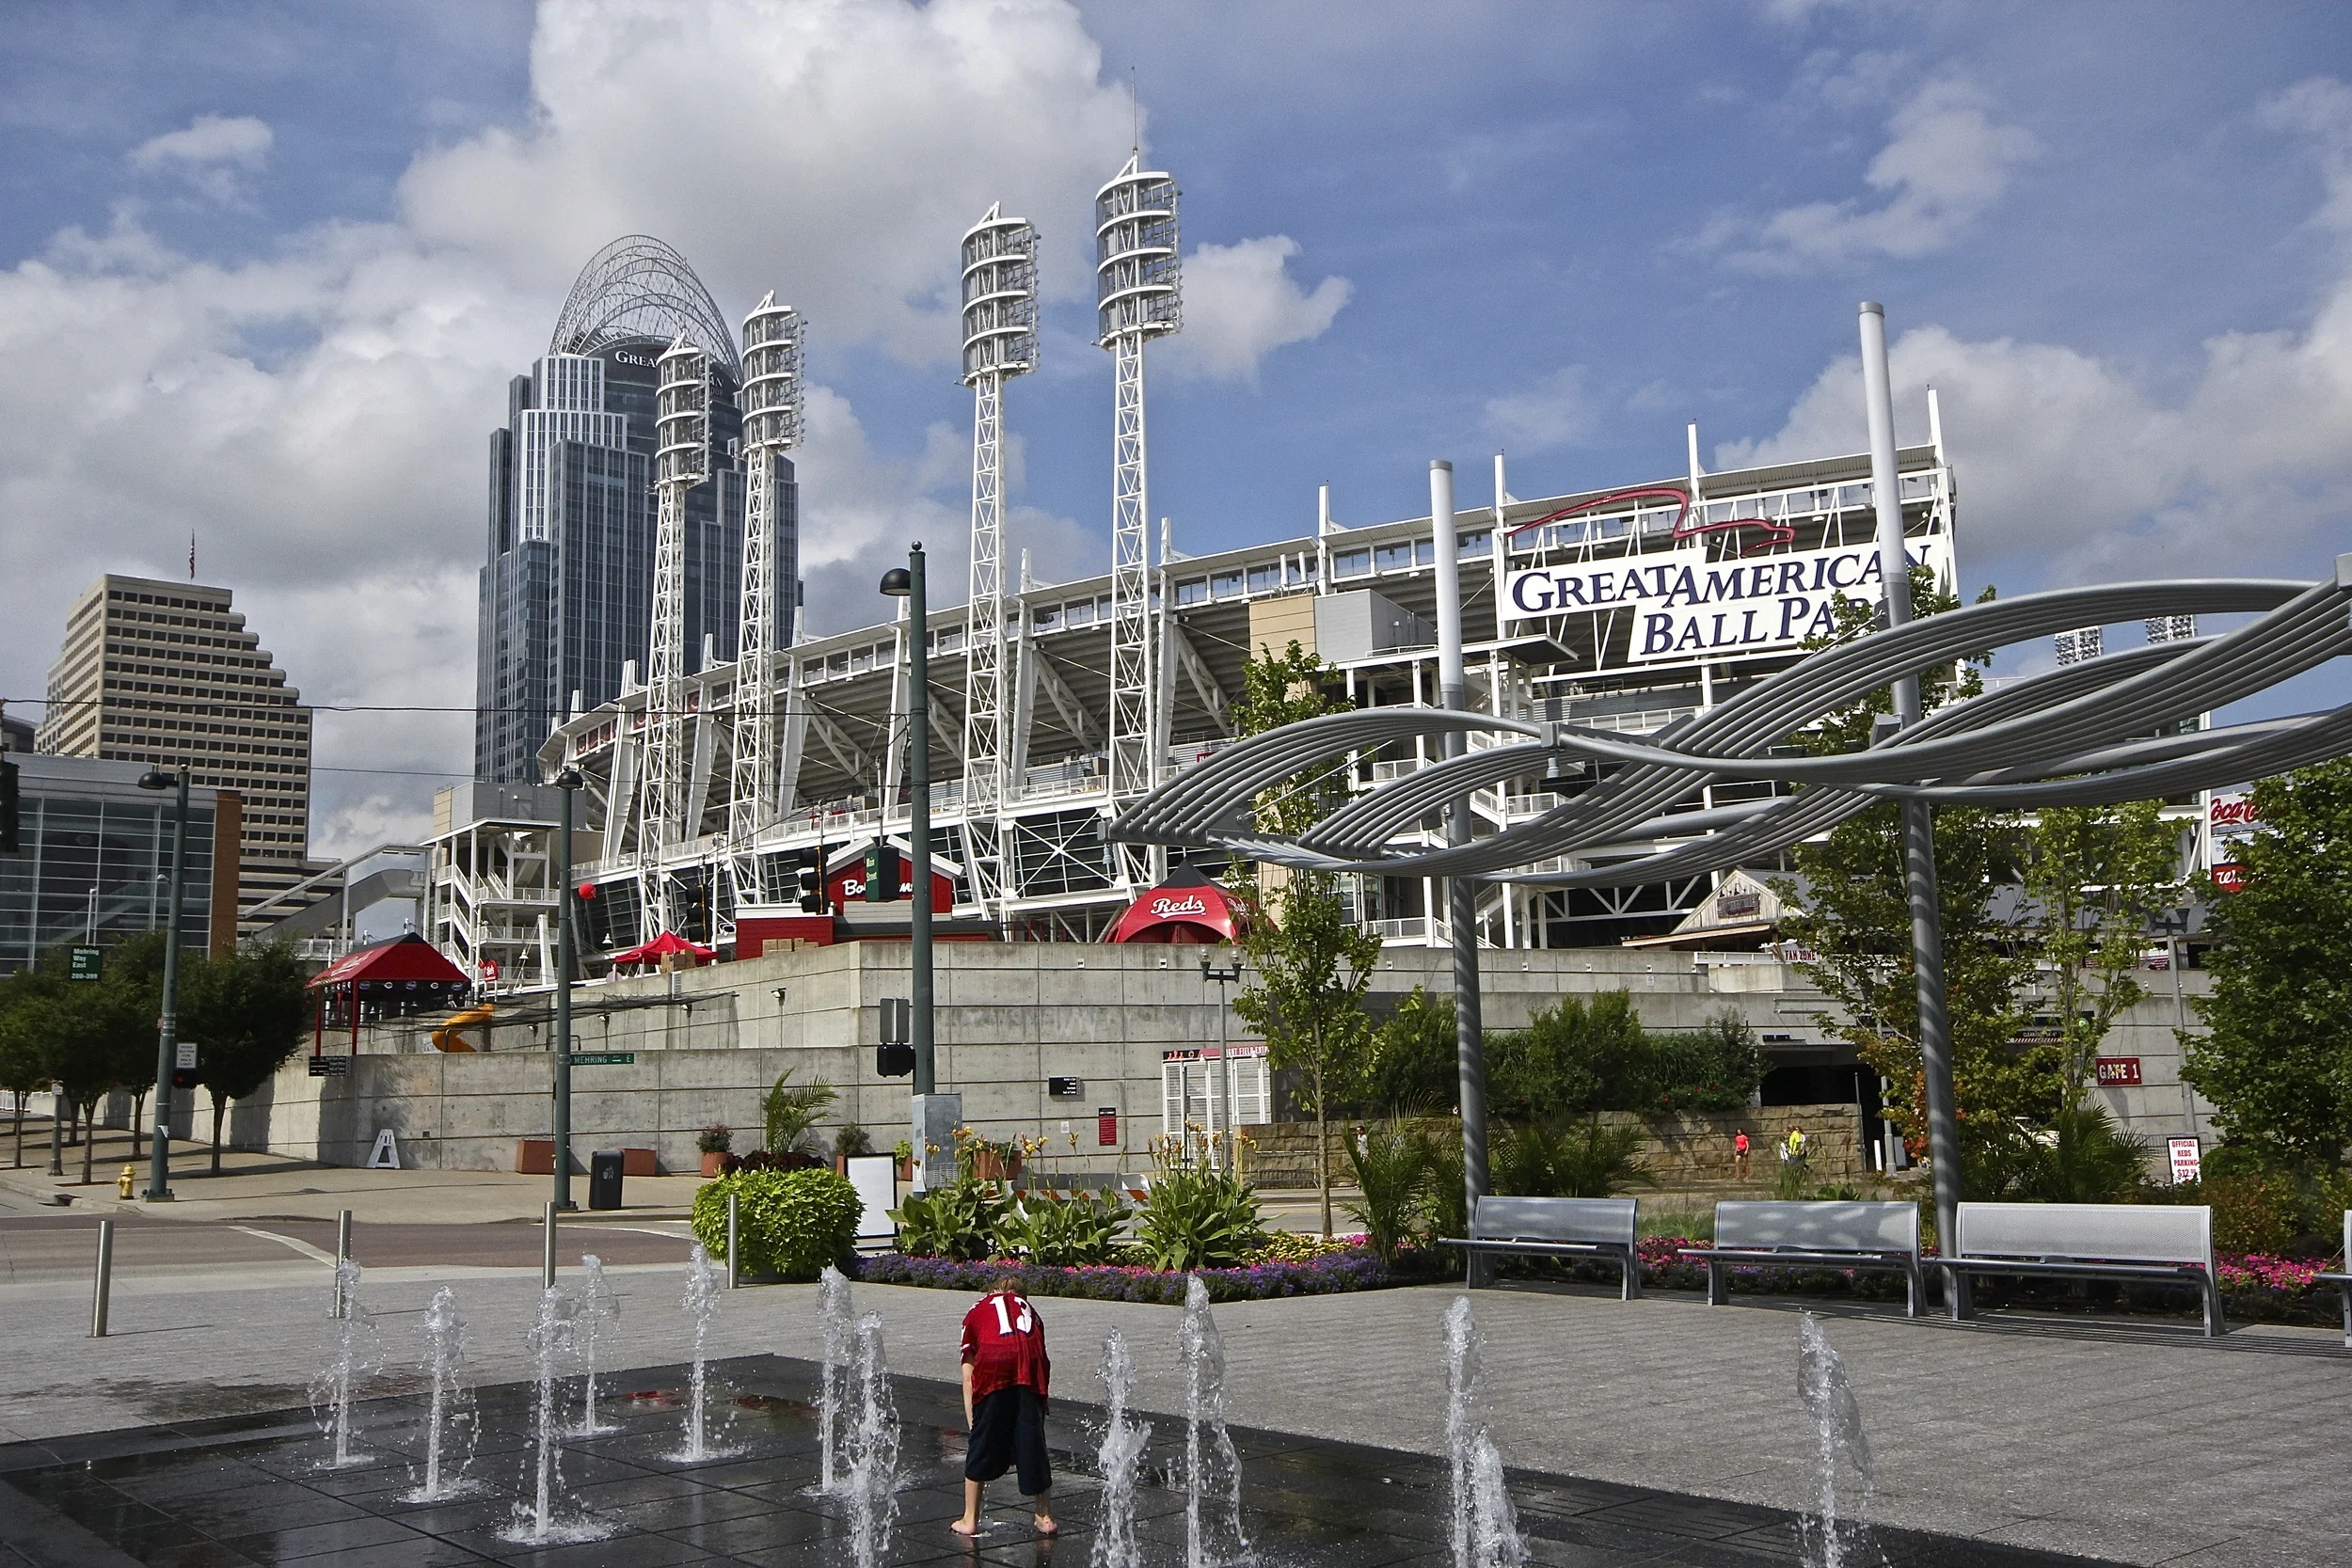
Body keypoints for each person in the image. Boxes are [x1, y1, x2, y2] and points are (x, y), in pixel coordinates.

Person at [955, 1274, 1056, 1538]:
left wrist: (973, 1420)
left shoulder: (978, 1309)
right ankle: (1044, 1516)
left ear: (992, 1292)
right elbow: (1041, 1358)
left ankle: (969, 1519)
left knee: (982, 1441)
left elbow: (969, 1376)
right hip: (1031, 1368)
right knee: (1033, 1441)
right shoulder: (1030, 1311)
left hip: (995, 1364)